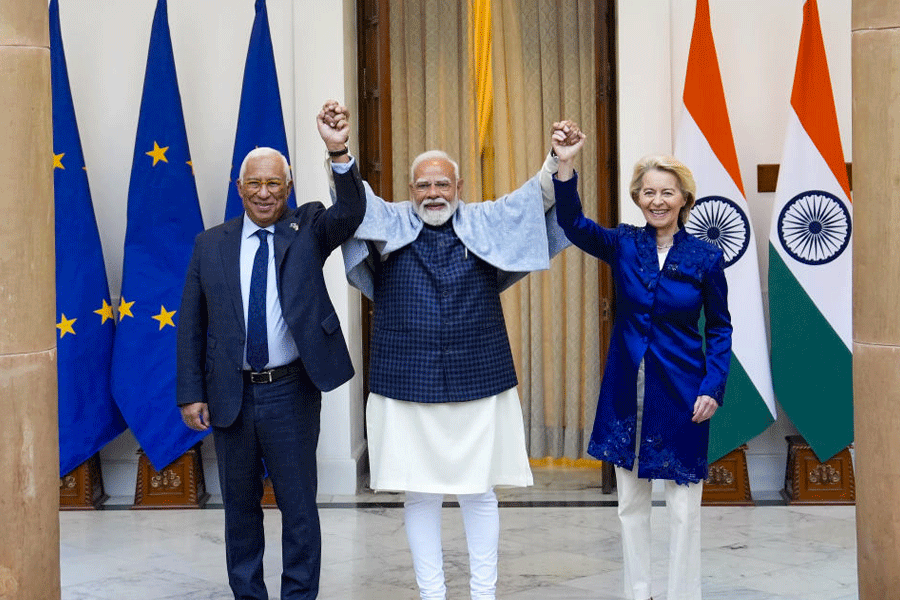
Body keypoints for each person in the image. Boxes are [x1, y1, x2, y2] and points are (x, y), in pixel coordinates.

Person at [321, 101, 583, 600]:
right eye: (423, 184)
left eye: (443, 184)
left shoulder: (486, 219)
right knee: (419, 493)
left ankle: (483, 594)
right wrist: (338, 150)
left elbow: (535, 199)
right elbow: (351, 201)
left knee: (479, 492)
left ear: (458, 188)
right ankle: (432, 594)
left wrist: (559, 159)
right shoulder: (388, 220)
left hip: (479, 377)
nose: (433, 192)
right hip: (404, 379)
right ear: (411, 190)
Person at [176, 105, 366, 600]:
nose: (264, 193)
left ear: (288, 188)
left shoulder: (310, 229)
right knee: (239, 509)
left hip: (291, 392)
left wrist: (337, 149)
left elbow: (352, 212)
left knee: (299, 507)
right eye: (255, 184)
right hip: (230, 395)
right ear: (240, 189)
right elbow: (192, 325)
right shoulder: (209, 245)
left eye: (275, 185)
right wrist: (190, 393)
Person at [554, 154, 732, 600]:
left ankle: (681, 594)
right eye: (649, 192)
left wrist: (713, 386)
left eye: (667, 192)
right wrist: (564, 166)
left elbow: (720, 326)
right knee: (631, 504)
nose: (657, 200)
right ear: (637, 197)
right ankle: (639, 592)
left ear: (684, 199)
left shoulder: (706, 257)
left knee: (683, 508)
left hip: (684, 392)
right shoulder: (623, 244)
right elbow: (573, 222)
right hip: (626, 391)